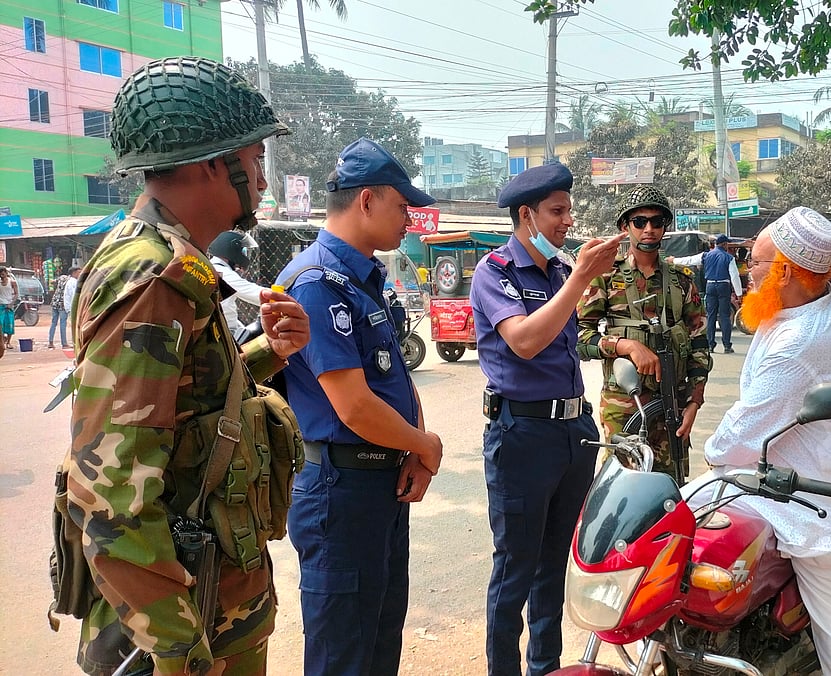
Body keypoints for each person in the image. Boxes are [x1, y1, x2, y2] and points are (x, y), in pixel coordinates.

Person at [63, 56, 310, 675]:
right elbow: (111, 491)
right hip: (188, 624)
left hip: (214, 602)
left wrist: (268, 352)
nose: (262, 178)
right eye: (255, 159)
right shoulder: (153, 277)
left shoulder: (170, 258)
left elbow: (185, 403)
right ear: (212, 165)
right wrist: (178, 652)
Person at [686, 206, 831, 675]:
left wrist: (712, 454)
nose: (747, 270)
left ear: (786, 272)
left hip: (804, 492)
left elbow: (738, 438)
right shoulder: (799, 304)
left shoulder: (800, 342)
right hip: (767, 473)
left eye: (755, 261)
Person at [278, 138, 443, 675]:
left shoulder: (364, 277)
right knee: (343, 655)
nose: (409, 219)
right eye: (402, 206)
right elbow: (353, 407)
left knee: (378, 644)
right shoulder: (317, 282)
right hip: (341, 491)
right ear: (367, 200)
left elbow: (394, 376)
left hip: (380, 484)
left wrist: (414, 450)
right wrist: (425, 445)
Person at [470, 163, 625, 676]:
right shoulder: (496, 271)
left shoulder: (559, 273)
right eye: (557, 211)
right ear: (526, 215)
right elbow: (524, 340)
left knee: (554, 562)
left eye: (568, 210)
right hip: (522, 434)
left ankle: (545, 667)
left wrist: (579, 277)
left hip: (573, 433)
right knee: (515, 567)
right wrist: (581, 277)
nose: (567, 221)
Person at [577, 185, 711, 480]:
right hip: (623, 407)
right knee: (624, 487)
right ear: (625, 227)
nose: (648, 229)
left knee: (669, 486)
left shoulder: (681, 281)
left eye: (656, 222)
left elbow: (699, 344)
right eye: (639, 222)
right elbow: (580, 338)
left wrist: (694, 402)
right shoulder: (605, 277)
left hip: (672, 404)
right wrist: (625, 345)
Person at [670, 234, 743, 353]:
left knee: (710, 316)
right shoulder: (729, 258)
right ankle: (727, 346)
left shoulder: (706, 255)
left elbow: (689, 260)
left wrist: (673, 260)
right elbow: (734, 276)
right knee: (724, 316)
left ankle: (710, 345)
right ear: (724, 244)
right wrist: (739, 293)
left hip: (710, 286)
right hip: (723, 286)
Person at [209, 230, 269, 334]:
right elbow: (255, 293)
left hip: (224, 328)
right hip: (222, 332)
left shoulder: (214, 267)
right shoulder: (222, 272)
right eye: (242, 250)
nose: (243, 254)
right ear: (231, 249)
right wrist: (286, 295)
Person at [47, 269, 72, 349]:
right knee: (63, 323)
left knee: (53, 322)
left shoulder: (62, 277)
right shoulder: (71, 281)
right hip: (63, 303)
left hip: (55, 301)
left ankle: (50, 342)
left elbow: (52, 281)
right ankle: (64, 343)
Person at [0, 266, 16, 350]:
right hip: (1, 305)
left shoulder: (12, 282)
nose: (2, 276)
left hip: (9, 306)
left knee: (10, 324)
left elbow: (16, 294)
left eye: (3, 274)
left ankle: (8, 342)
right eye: (0, 274)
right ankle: (2, 341)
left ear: (6, 273)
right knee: (1, 324)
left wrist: (11, 303)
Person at [63, 266, 79, 347]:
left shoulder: (74, 281)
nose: (80, 274)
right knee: (75, 325)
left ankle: (76, 342)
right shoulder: (73, 282)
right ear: (74, 273)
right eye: (79, 272)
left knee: (75, 325)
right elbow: (74, 296)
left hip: (71, 306)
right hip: (73, 307)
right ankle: (75, 342)